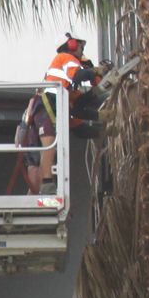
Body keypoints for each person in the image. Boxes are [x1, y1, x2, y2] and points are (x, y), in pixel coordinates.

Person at [21, 34, 103, 193]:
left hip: (48, 107)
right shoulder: (65, 57)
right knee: (46, 146)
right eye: (81, 46)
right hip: (45, 105)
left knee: (42, 153)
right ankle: (46, 185)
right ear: (71, 44)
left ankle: (37, 191)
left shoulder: (66, 91)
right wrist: (94, 70)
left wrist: (103, 128)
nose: (82, 50)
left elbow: (79, 117)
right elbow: (78, 75)